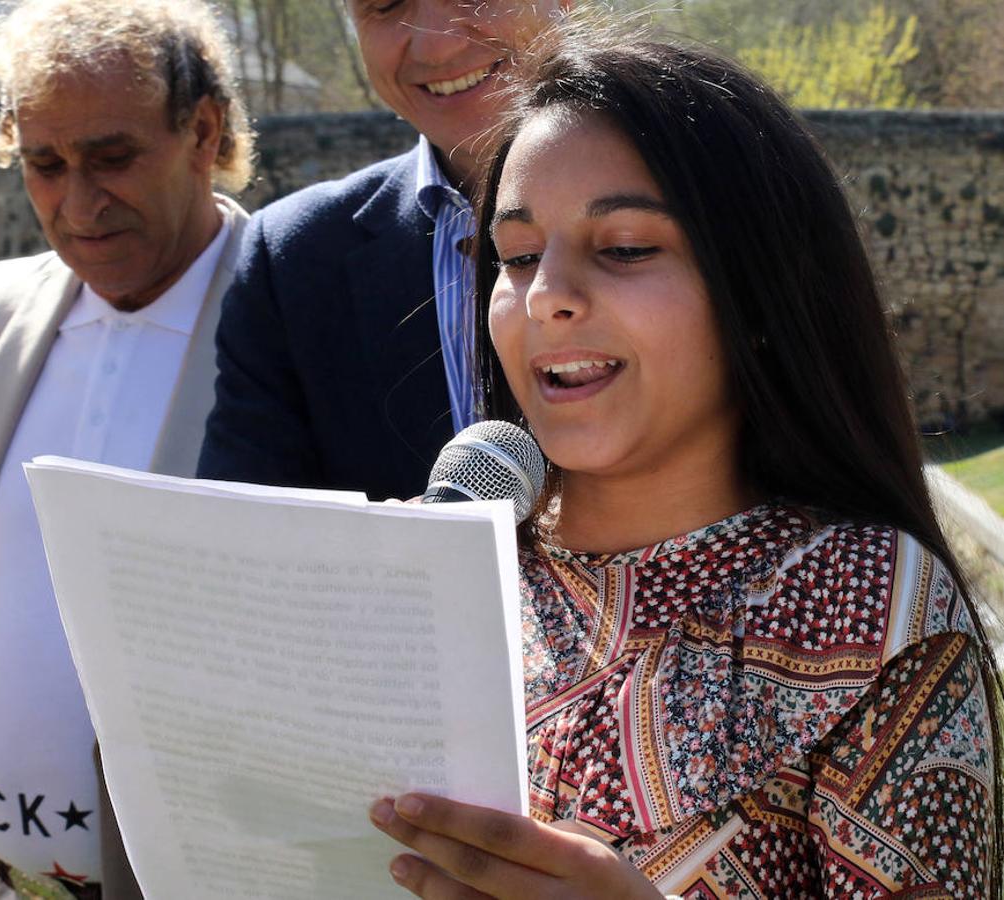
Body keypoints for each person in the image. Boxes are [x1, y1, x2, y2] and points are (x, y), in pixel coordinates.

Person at [367, 30, 1002, 898]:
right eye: (517, 257)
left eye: (624, 247)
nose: (545, 294)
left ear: (760, 295)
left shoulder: (876, 610)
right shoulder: (462, 569)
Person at [0, 1, 254, 896]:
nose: (80, 205)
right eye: (46, 166)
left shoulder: (291, 316)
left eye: (113, 158)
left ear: (202, 132)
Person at [197, 0, 570, 500]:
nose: (437, 44)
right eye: (385, 5)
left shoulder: (705, 189)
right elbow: (244, 546)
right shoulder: (293, 262)